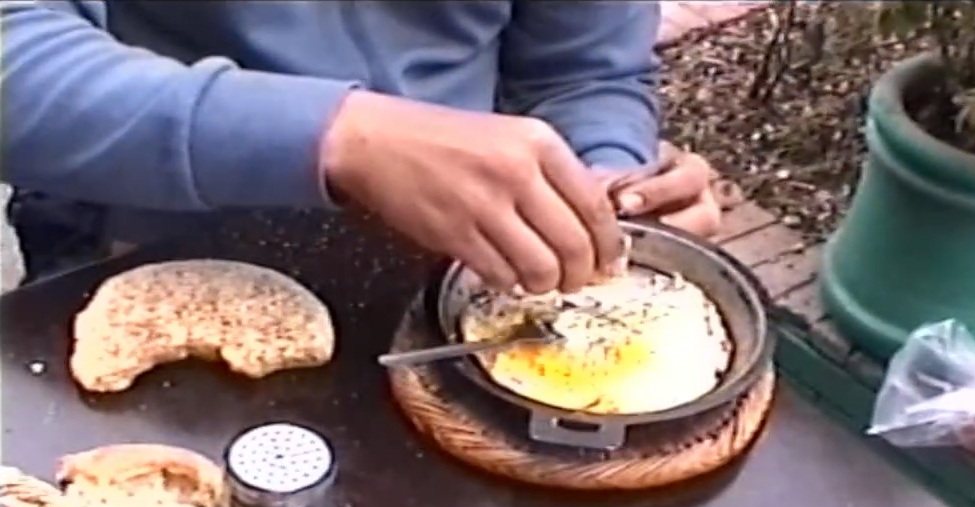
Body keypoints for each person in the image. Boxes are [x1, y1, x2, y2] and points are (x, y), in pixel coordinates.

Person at [1, 1, 721, 293]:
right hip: (147, 253)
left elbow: (584, 72)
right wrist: (341, 134)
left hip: (459, 272)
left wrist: (602, 185)